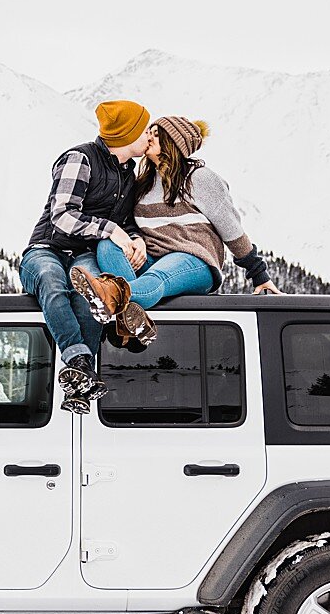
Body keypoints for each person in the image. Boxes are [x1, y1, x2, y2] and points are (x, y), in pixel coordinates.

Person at [71, 116, 279, 348]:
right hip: (153, 257)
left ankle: (111, 296)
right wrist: (136, 241)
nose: (148, 136)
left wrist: (259, 274)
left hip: (194, 260)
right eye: (149, 131)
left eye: (157, 134)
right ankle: (132, 319)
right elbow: (129, 226)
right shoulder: (144, 183)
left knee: (156, 278)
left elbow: (232, 230)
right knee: (108, 245)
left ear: (174, 143)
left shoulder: (199, 178)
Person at [17, 100, 151, 414]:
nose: (149, 135)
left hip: (82, 254)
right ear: (127, 134)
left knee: (92, 294)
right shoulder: (80, 159)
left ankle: (78, 387)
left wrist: (136, 239)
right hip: (46, 249)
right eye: (144, 129)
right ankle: (79, 363)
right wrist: (110, 230)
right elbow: (62, 215)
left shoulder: (128, 174)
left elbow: (127, 222)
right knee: (53, 282)